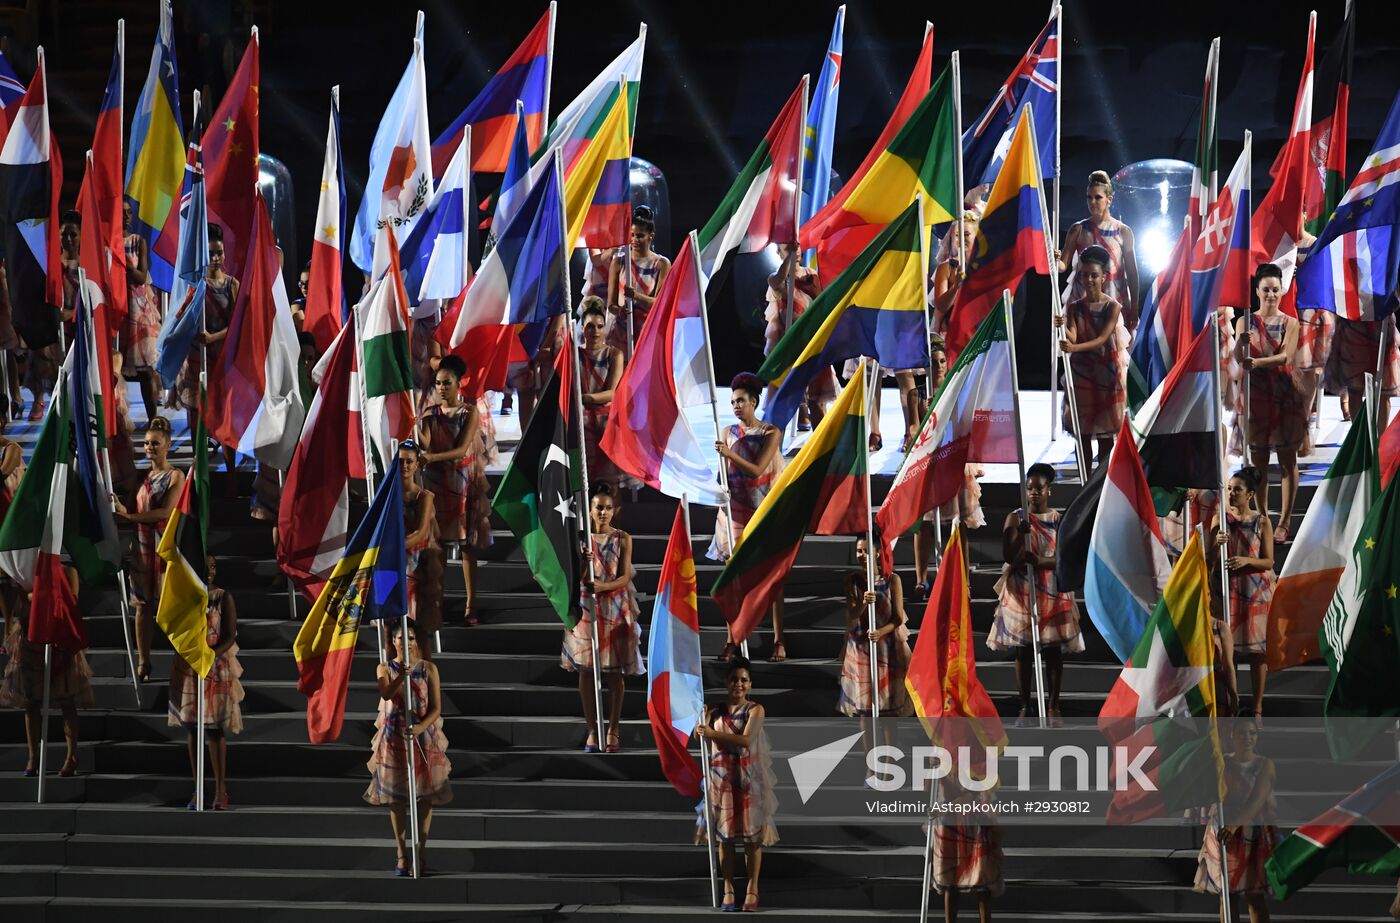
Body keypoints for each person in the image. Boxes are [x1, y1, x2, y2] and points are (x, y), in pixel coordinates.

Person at [987, 463, 1083, 727]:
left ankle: (1053, 705)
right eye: (1029, 489)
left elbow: (1065, 557)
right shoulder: (1016, 517)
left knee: (1053, 651)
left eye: (1038, 489)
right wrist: (1021, 535)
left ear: (1048, 490)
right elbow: (1010, 555)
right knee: (1023, 651)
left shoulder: (1058, 519)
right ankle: (1025, 704)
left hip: (1052, 590)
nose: (1033, 494)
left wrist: (1040, 561)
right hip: (1022, 591)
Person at [364, 618, 452, 877]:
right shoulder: (384, 668)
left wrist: (422, 727)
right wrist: (401, 674)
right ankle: (401, 854)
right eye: (401, 638)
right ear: (393, 641)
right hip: (394, 738)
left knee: (425, 797)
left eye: (411, 638)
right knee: (396, 799)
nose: (406, 642)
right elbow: (386, 694)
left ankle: (420, 853)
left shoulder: (429, 669)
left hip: (423, 737)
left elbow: (436, 708)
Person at [709, 372, 786, 662]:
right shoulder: (727, 432)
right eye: (732, 402)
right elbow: (723, 475)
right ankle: (733, 640)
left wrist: (728, 454)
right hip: (735, 513)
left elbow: (757, 469)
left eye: (741, 401)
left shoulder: (770, 433)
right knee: (733, 580)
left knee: (772, 578)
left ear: (754, 402)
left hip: (765, 512)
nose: (736, 406)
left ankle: (779, 640)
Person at [561, 482, 643, 753]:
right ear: (590, 509)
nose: (604, 512)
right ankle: (592, 730)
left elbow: (624, 575)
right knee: (585, 670)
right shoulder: (580, 537)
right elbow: (577, 577)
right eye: (599, 507)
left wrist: (604, 587)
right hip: (586, 609)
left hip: (615, 607)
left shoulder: (623, 538)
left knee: (615, 672)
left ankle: (614, 729)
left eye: (608, 508)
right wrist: (584, 561)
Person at [695, 656, 778, 912]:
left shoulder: (756, 709)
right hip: (721, 782)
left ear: (750, 684)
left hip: (748, 779)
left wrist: (711, 733)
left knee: (752, 839)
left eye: (743, 680)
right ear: (726, 682)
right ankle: (728, 887)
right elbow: (698, 735)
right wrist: (703, 720)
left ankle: (753, 887)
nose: (738, 684)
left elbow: (745, 741)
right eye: (733, 679)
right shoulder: (714, 711)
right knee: (725, 838)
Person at [1236, 264, 1305, 544]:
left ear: (1282, 290)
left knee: (1288, 460)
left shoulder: (1291, 322)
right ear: (1257, 291)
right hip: (1256, 399)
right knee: (1259, 463)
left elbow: (1286, 357)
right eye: (1266, 290)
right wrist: (1240, 346)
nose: (1271, 295)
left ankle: (1285, 521)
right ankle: (1263, 519)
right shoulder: (1245, 323)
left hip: (1285, 396)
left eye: (1276, 289)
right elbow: (1239, 359)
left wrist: (1257, 362)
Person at [419, 355, 490, 625]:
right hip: (437, 483)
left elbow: (461, 449)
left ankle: (471, 604)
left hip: (462, 483)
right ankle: (439, 602)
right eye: (438, 383)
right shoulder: (431, 414)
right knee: (437, 547)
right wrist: (415, 422)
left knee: (466, 548)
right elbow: (424, 441)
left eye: (446, 383)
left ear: (458, 384)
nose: (441, 388)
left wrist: (431, 458)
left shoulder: (469, 412)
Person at [911, 340, 985, 599]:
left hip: (952, 460)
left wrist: (942, 410)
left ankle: (962, 580)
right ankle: (921, 579)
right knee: (925, 525)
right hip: (928, 463)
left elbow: (963, 424)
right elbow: (913, 431)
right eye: (933, 362)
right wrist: (927, 413)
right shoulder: (917, 394)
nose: (939, 367)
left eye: (942, 361)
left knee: (958, 523)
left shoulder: (956, 389)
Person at [167, 556, 242, 810]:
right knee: (191, 727)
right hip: (188, 667)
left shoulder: (222, 597)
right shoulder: (185, 596)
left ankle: (221, 790)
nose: (209, 570)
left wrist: (210, 656)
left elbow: (230, 634)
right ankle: (198, 787)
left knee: (214, 729)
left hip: (214, 665)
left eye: (213, 565)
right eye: (205, 565)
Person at [0, 565, 90, 777]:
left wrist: (39, 594)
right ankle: (33, 755)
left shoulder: (68, 571)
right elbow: (21, 605)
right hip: (31, 639)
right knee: (31, 701)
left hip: (60, 639)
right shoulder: (25, 573)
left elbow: (69, 599)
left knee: (67, 700)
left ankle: (72, 755)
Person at [114, 416, 185, 682]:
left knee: (172, 606)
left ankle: (183, 660)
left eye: (155, 443)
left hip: (166, 549)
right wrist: (118, 508)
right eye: (145, 443)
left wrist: (129, 518)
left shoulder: (176, 476)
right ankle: (144, 662)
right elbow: (131, 509)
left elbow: (164, 511)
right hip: (142, 550)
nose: (149, 447)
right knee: (142, 607)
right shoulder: (141, 477)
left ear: (167, 445)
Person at [1193, 719, 1278, 923]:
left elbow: (1257, 800)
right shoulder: (1222, 762)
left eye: (1252, 733)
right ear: (1232, 735)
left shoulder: (1264, 764)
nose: (1247, 738)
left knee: (1253, 895)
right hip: (1223, 832)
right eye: (1242, 733)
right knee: (1226, 895)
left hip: (1251, 832)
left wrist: (1234, 825)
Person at [839, 537, 913, 761]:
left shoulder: (893, 580)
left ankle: (890, 760)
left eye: (865, 551)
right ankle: (871, 763)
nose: (861, 555)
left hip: (887, 649)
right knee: (865, 710)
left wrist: (882, 632)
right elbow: (851, 614)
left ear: (878, 553)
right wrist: (864, 602)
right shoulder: (852, 580)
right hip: (861, 650)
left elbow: (899, 617)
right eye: (859, 551)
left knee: (888, 709)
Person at [1209, 468, 1274, 721]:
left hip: (1254, 591)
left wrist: (1245, 560)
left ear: (1250, 494)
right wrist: (1216, 541)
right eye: (1229, 489)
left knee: (1258, 653)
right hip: (1226, 590)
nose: (1231, 493)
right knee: (1228, 650)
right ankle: (1231, 704)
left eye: (1237, 489)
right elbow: (1210, 558)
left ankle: (1257, 707)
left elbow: (1267, 561)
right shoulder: (1220, 520)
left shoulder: (1262, 522)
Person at [1057, 245, 1126, 469]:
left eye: (1094, 275)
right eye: (1085, 275)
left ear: (1103, 277)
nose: (1089, 280)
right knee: (1083, 432)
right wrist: (1060, 327)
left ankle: (1101, 483)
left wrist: (1073, 349)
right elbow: (1073, 337)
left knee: (1105, 436)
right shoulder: (1075, 306)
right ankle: (1085, 483)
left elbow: (1103, 338)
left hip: (1105, 375)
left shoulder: (1113, 306)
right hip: (1081, 375)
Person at [178, 224, 239, 472]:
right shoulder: (195, 284)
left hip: (222, 359)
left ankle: (231, 473)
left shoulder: (232, 284)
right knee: (197, 416)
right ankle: (198, 469)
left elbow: (237, 325)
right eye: (211, 253)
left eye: (219, 253)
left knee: (226, 419)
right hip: (196, 359)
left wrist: (212, 338)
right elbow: (181, 319)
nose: (215, 258)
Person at [1056, 170, 1140, 337]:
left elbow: (1132, 272)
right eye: (1089, 197)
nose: (1092, 202)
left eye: (1098, 197)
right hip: (1084, 300)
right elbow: (1062, 266)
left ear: (1109, 200)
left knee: (1114, 355)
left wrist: (1135, 306)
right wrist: (1054, 259)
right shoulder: (1077, 229)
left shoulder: (1123, 231)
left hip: (1115, 298)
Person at [765, 243, 836, 430]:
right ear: (779, 253)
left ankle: (821, 445)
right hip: (788, 344)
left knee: (817, 399)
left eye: (795, 247)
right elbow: (776, 282)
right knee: (785, 394)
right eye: (787, 248)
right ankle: (774, 445)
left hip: (811, 341)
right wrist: (790, 258)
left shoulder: (812, 275)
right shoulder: (778, 278)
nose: (795, 251)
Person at [931, 774, 1005, 923]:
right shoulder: (946, 761)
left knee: (982, 876)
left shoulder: (978, 760)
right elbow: (931, 787)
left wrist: (945, 808)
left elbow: (973, 793)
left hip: (976, 821)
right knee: (951, 879)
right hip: (951, 822)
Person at [607, 205, 670, 355]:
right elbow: (611, 305)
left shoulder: (661, 264)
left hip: (648, 334)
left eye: (640, 235)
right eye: (632, 235)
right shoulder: (618, 263)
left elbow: (659, 305)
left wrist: (636, 295)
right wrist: (620, 311)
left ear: (651, 236)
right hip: (621, 334)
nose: (635, 240)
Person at [121, 200, 164, 421]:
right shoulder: (106, 243)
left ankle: (153, 419)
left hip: (139, 310)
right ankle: (117, 421)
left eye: (129, 213)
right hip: (118, 310)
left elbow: (139, 276)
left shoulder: (138, 242)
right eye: (122, 212)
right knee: (116, 367)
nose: (127, 216)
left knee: (146, 369)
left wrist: (122, 262)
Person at [578, 297, 625, 490]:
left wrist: (584, 398)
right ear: (582, 328)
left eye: (599, 326)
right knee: (585, 481)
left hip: (607, 425)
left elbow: (612, 393)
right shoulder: (573, 353)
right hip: (581, 424)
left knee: (611, 484)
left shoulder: (614, 354)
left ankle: (615, 521)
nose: (595, 331)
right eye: (590, 326)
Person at [398, 441, 442, 634]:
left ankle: (423, 665)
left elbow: (421, 532)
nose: (405, 466)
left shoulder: (424, 496)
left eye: (409, 461)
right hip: (386, 566)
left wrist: (392, 549)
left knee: (417, 628)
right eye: (400, 461)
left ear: (417, 464)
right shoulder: (385, 495)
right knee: (386, 625)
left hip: (414, 565)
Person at [1325, 313, 1400, 425]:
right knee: (1356, 388)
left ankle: (1377, 440)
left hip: (1377, 318)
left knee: (1381, 389)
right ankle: (1361, 438)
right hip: (1354, 317)